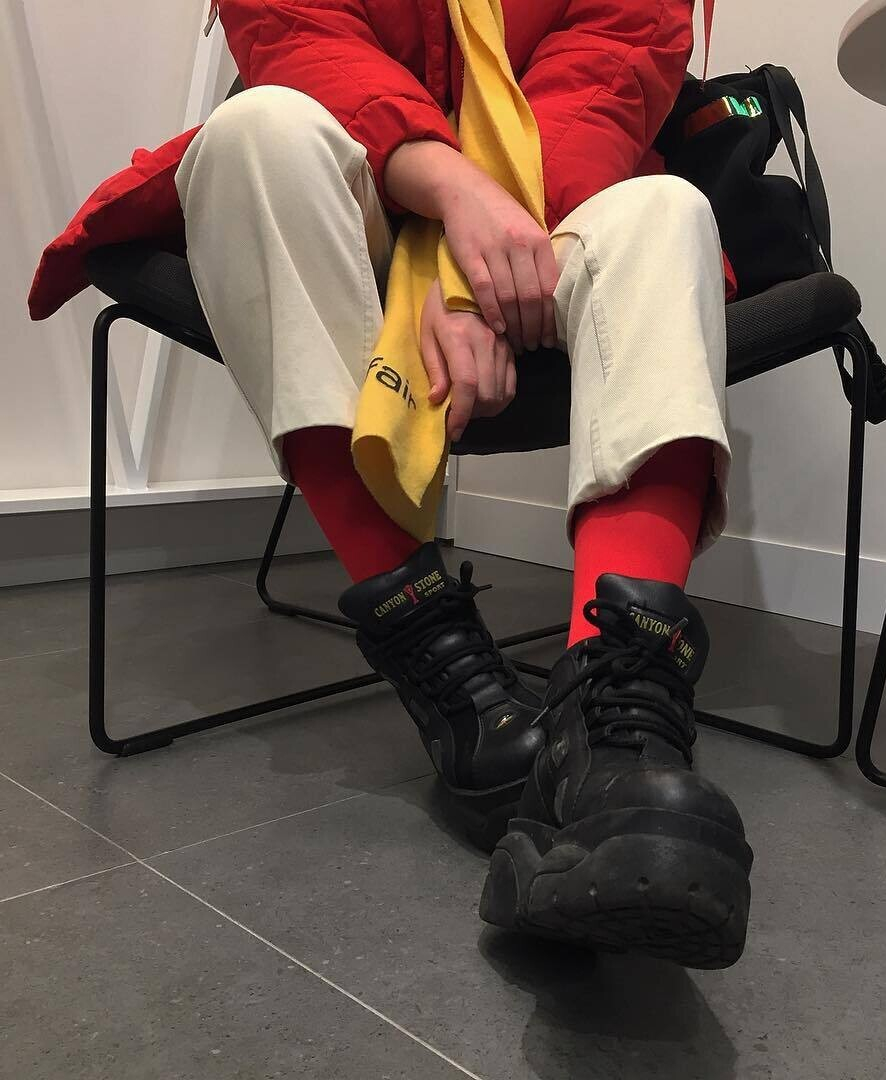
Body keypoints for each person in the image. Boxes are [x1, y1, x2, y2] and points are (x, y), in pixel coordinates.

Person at [28, 0, 751, 970]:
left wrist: (475, 269)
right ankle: (438, 652)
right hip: (360, 191)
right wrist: (451, 196)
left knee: (669, 213)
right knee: (254, 134)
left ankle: (614, 729)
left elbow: (605, 77)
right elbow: (298, 37)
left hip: (548, 199)